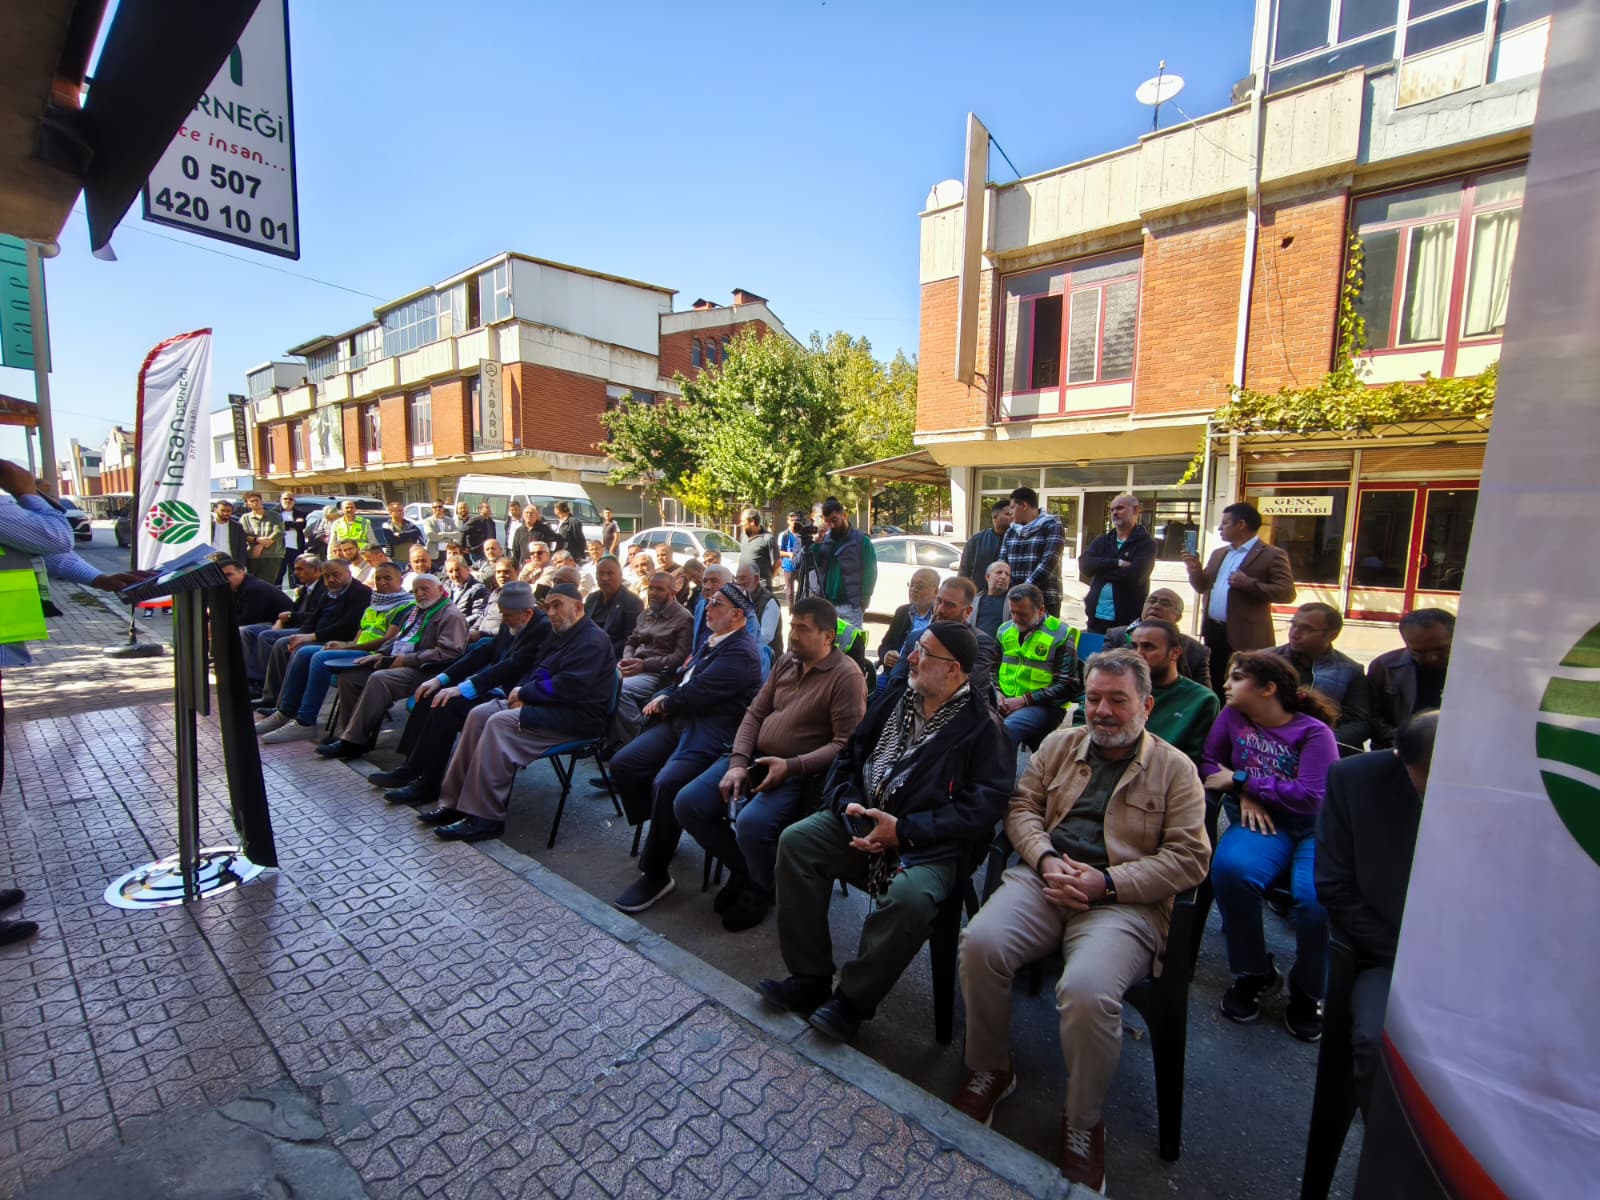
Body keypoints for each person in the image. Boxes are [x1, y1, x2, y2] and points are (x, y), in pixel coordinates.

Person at [954, 649, 1210, 1190]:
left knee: (1089, 990)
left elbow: (1190, 858)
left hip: (1123, 902)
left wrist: (1107, 882)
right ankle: (992, 1067)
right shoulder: (1059, 743)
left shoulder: (1176, 770)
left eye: (1118, 700)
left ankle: (1083, 1119)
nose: (1103, 711)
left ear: (1147, 704)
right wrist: (1046, 859)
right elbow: (1021, 807)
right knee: (980, 942)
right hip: (1046, 880)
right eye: (1094, 698)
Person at [757, 621, 1012, 1044]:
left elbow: (980, 812)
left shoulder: (984, 729)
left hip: (929, 847)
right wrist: (848, 805)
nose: (911, 657)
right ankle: (810, 977)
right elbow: (848, 758)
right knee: (797, 843)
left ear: (955, 671)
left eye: (925, 653)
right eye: (916, 648)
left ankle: (852, 1002)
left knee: (910, 899)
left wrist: (905, 831)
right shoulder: (895, 698)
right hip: (863, 822)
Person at [0, 460, 152, 946]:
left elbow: (46, 556)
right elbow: (54, 539)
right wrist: (30, 493)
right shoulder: (12, 503)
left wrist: (99, 580)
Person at [671, 596, 868, 931]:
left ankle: (761, 889)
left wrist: (791, 766)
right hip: (752, 760)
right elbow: (755, 713)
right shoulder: (788, 661)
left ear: (827, 637)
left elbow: (844, 745)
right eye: (792, 625)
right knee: (687, 804)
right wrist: (736, 762)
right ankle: (747, 869)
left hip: (798, 774)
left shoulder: (846, 677)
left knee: (752, 824)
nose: (792, 635)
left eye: (802, 629)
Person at [1204, 651, 1340, 1040]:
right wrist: (1244, 792)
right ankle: (1253, 972)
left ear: (1267, 689)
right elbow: (1211, 763)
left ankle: (1309, 991)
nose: (1226, 685)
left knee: (1317, 900)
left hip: (1316, 830)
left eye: (1237, 678)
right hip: (1263, 820)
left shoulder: (1315, 733)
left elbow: (1311, 797)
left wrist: (1244, 781)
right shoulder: (1232, 717)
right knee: (1232, 870)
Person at [611, 584, 765, 913]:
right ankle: (662, 828)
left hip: (712, 731)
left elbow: (697, 693)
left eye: (717, 604)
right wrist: (664, 698)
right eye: (709, 602)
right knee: (624, 764)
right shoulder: (713, 640)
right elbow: (684, 675)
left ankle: (655, 872)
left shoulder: (742, 653)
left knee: (666, 783)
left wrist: (664, 701)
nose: (707, 608)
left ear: (737, 615)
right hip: (682, 723)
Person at [422, 582, 617, 841]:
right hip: (549, 706)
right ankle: (454, 801)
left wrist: (525, 693)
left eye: (558, 605)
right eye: (548, 607)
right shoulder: (560, 633)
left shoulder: (592, 640)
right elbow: (541, 669)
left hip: (576, 718)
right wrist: (524, 690)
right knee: (480, 714)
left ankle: (486, 817)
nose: (552, 612)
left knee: (499, 723)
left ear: (579, 607)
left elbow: (569, 686)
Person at [1315, 711, 1438, 1113]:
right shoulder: (1356, 781)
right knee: (1380, 1038)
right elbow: (1335, 887)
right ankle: (1390, 1158)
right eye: (1431, 775)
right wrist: (1402, 953)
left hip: (1483, 965)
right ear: (1402, 759)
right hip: (1387, 954)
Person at [367, 582, 551, 806]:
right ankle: (411, 768)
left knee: (448, 706)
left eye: (508, 615)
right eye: (502, 615)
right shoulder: (513, 620)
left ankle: (429, 785)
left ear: (527, 613)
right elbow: (484, 652)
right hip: (493, 685)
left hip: (512, 694)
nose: (504, 620)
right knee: (431, 695)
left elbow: (512, 665)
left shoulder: (541, 628)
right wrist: (441, 679)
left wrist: (464, 688)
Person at [315, 572, 470, 761]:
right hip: (398, 663)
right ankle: (349, 735)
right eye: (415, 591)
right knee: (349, 677)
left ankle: (352, 741)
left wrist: (408, 659)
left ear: (440, 590)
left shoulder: (451, 615)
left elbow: (449, 653)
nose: (420, 594)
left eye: (424, 589)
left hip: (427, 671)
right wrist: (380, 655)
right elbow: (397, 640)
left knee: (380, 679)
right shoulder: (415, 611)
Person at [255, 563, 414, 742]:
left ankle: (305, 722)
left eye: (387, 578)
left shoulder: (405, 605)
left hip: (374, 655)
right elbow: (360, 635)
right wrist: (343, 644)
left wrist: (347, 648)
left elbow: (387, 641)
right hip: (357, 650)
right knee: (303, 652)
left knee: (319, 657)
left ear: (400, 580)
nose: (382, 582)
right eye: (378, 578)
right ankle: (285, 712)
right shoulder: (376, 602)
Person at [1183, 501, 1297, 696]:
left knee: (1244, 686)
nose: (1219, 528)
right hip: (1213, 631)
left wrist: (1250, 583)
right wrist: (1194, 568)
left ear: (1241, 524)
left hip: (1246, 637)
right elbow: (1202, 586)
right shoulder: (1220, 553)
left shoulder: (1272, 555)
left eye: (1225, 523)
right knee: (1213, 683)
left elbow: (1287, 592)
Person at [254, 558, 371, 709]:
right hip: (317, 633)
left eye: (336, 575)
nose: (331, 580)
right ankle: (272, 698)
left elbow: (347, 626)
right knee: (284, 642)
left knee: (298, 649)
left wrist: (311, 637)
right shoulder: (328, 593)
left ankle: (287, 706)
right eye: (326, 576)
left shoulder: (360, 592)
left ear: (348, 573)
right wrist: (300, 636)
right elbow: (312, 618)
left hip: (337, 638)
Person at [878, 576, 999, 700]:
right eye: (938, 601)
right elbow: (896, 678)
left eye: (950, 605)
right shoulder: (917, 636)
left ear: (968, 612)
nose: (940, 609)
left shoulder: (981, 643)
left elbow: (968, 685)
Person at [1270, 602, 1371, 748]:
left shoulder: (1350, 670)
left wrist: (1320, 742)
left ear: (1331, 635)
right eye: (1293, 625)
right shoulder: (1266, 660)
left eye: (1306, 629)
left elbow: (1359, 723)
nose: (1294, 633)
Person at [995, 583, 1082, 750]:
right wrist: (997, 693)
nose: (1015, 618)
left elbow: (1067, 685)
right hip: (1004, 700)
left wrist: (1023, 701)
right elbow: (992, 669)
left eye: (1022, 614)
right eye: (1012, 612)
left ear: (1041, 610)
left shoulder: (1061, 634)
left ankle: (999, 776)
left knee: (1006, 730)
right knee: (972, 722)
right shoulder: (1004, 630)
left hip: (1044, 706)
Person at [1127, 619, 1219, 766]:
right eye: (1134, 647)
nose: (1138, 654)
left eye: (1148, 647)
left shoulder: (1202, 700)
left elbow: (1194, 760)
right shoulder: (1121, 686)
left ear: (1175, 653)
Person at [614, 572, 695, 732]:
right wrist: (628, 659)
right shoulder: (646, 614)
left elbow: (679, 657)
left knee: (619, 690)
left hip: (657, 674)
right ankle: (610, 738)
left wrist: (644, 665)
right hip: (634, 667)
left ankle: (640, 733)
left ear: (672, 593)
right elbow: (631, 641)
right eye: (651, 588)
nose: (653, 593)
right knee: (599, 680)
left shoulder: (683, 618)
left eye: (659, 589)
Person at [1366, 609, 1453, 749]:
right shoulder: (1384, 667)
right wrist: (1407, 742)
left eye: (1440, 649)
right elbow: (1372, 716)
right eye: (1419, 652)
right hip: (1397, 749)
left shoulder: (1478, 669)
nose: (1432, 658)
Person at [242, 555, 326, 690]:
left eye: (300, 569)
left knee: (267, 636)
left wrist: (290, 617)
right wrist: (281, 620)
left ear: (316, 570)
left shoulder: (323, 588)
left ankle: (262, 683)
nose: (296, 573)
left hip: (307, 628)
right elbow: (292, 610)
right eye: (295, 569)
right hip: (292, 623)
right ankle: (249, 676)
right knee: (248, 631)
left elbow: (313, 616)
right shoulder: (306, 587)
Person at [1080, 494, 1157, 634]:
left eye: (1120, 508)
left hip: (1126, 621)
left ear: (1135, 511)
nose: (1115, 512)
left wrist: (1100, 571)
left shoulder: (1146, 544)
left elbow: (1134, 576)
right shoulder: (1102, 541)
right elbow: (1084, 565)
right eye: (1112, 509)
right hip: (1096, 620)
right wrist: (1118, 563)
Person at [1104, 588, 1210, 685]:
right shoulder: (1116, 636)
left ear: (1177, 617)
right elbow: (1103, 673)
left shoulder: (1197, 651)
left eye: (1165, 603)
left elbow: (1204, 694)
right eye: (1152, 601)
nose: (1156, 606)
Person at [806, 497, 876, 627]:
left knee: (850, 645)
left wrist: (864, 599)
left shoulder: (862, 541)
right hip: (827, 604)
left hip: (851, 606)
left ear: (844, 515)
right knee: (826, 645)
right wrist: (818, 541)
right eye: (827, 522)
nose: (831, 525)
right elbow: (812, 563)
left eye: (834, 520)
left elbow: (870, 572)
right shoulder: (824, 540)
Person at [999, 486, 1065, 618]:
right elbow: (1002, 563)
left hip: (1044, 598)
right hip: (1015, 600)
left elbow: (1049, 560)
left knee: (1043, 637)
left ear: (1024, 505)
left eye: (1012, 507)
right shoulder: (1011, 531)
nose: (1010, 512)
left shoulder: (1052, 525)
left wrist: (1025, 588)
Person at [877, 568, 938, 679]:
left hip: (920, 678)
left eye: (920, 586)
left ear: (936, 591)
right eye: (911, 585)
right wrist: (886, 655)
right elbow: (884, 645)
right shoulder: (903, 612)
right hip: (892, 674)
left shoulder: (939, 618)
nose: (913, 590)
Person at [584, 555, 643, 657]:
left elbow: (630, 639)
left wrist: (601, 651)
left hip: (610, 655)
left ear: (620, 575)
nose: (604, 578)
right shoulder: (592, 598)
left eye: (610, 573)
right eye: (600, 573)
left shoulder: (632, 602)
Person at [221, 558, 291, 627]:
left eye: (229, 575)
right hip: (267, 623)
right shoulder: (238, 588)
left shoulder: (253, 589)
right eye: (222, 576)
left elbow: (248, 620)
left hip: (282, 624)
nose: (226, 579)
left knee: (241, 630)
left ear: (242, 572)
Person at [958, 499, 1012, 586]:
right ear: (995, 517)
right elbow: (964, 571)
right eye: (1008, 514)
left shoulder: (1018, 540)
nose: (1012, 517)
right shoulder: (977, 540)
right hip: (979, 594)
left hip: (1007, 595)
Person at [735, 564, 783, 657]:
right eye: (737, 578)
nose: (739, 583)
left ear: (756, 579)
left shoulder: (769, 601)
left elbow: (766, 636)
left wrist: (737, 638)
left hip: (767, 660)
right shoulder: (739, 597)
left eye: (743, 578)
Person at [239, 492, 284, 583]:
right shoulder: (245, 518)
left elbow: (279, 532)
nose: (255, 503)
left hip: (272, 554)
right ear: (247, 503)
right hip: (253, 555)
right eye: (252, 501)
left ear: (261, 501)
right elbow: (243, 535)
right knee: (253, 583)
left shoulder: (274, 515)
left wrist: (261, 545)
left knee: (268, 583)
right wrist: (257, 540)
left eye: (257, 500)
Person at [442, 555, 490, 632]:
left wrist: (454, 624)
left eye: (457, 570)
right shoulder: (444, 587)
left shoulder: (478, 589)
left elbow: (479, 615)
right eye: (450, 571)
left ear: (467, 569)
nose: (455, 574)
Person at [738, 507, 777, 586]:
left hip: (761, 586)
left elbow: (777, 562)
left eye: (743, 521)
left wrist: (769, 578)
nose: (741, 524)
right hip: (744, 585)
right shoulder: (744, 536)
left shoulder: (767, 538)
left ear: (752, 522)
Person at [277, 492, 309, 586]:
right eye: (285, 498)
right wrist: (293, 524)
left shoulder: (300, 514)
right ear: (280, 500)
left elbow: (301, 526)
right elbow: (276, 526)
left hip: (295, 548)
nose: (288, 501)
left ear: (294, 501)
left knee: (298, 573)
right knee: (278, 574)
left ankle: (300, 594)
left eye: (290, 499)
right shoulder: (274, 513)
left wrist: (286, 524)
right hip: (279, 548)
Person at [974, 560, 1011, 638]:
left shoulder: (1012, 603)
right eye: (999, 572)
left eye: (1007, 574)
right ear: (987, 577)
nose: (1003, 577)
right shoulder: (975, 600)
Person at [778, 511, 806, 605]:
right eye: (792, 519)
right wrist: (790, 554)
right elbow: (779, 552)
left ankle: (799, 610)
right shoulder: (784, 535)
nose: (794, 521)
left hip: (800, 566)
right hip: (788, 567)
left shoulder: (803, 534)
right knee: (790, 593)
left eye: (796, 519)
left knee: (802, 591)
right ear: (788, 521)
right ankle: (791, 612)